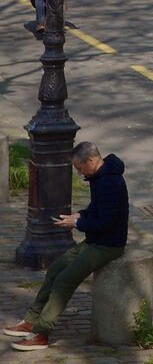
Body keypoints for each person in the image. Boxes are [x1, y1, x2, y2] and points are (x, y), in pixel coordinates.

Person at [4, 141, 128, 351]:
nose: (79, 173)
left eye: (79, 168)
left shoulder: (110, 183)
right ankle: (31, 320)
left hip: (108, 245)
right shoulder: (99, 177)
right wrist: (81, 214)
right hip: (94, 240)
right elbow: (97, 210)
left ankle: (42, 333)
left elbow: (106, 222)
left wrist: (77, 223)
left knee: (64, 280)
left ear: (91, 160)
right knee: (54, 271)